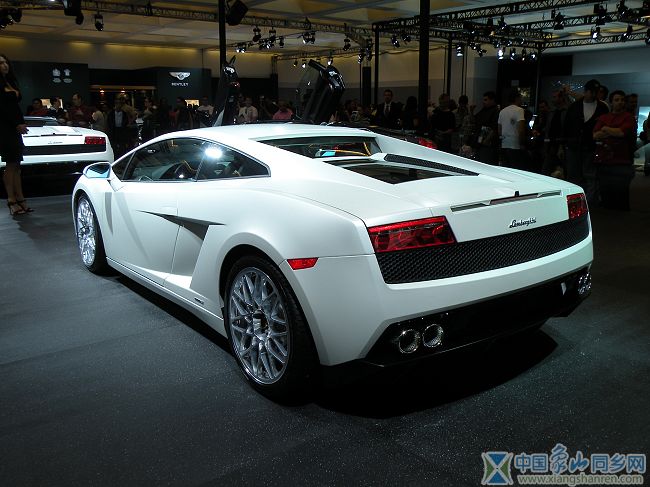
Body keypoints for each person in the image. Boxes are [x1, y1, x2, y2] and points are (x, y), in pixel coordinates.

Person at [563, 79, 609, 204]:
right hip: (574, 146)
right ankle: (574, 202)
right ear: (586, 91)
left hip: (591, 147)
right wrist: (565, 144)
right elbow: (567, 126)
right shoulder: (575, 106)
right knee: (574, 175)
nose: (593, 94)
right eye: (591, 91)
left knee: (590, 175)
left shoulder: (602, 107)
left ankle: (590, 202)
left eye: (595, 92)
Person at [593, 90, 636, 210]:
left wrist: (606, 128)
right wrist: (614, 131)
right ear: (611, 102)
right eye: (617, 100)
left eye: (622, 100)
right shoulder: (603, 117)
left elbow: (621, 132)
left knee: (621, 196)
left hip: (622, 162)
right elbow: (595, 135)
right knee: (606, 194)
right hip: (604, 161)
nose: (620, 102)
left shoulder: (629, 117)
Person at [0, 54, 31, 216]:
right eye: (1, 63)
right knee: (11, 165)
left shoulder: (10, 82)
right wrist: (16, 124)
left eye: (6, 62)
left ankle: (20, 199)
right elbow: (2, 109)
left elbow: (14, 107)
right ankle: (11, 200)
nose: (5, 65)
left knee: (16, 165)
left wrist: (20, 124)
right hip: (5, 129)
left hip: (15, 128)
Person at [498, 88, 531, 171]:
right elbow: (521, 129)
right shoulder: (519, 110)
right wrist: (522, 143)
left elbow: (499, 130)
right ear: (517, 98)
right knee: (516, 169)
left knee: (506, 169)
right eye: (520, 98)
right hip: (515, 145)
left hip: (504, 144)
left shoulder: (502, 111)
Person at [472, 91, 500, 165]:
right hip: (480, 141)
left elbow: (494, 128)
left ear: (492, 100)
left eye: (486, 100)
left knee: (486, 161)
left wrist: (487, 140)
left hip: (488, 143)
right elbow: (476, 119)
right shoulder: (484, 110)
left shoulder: (496, 111)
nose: (483, 102)